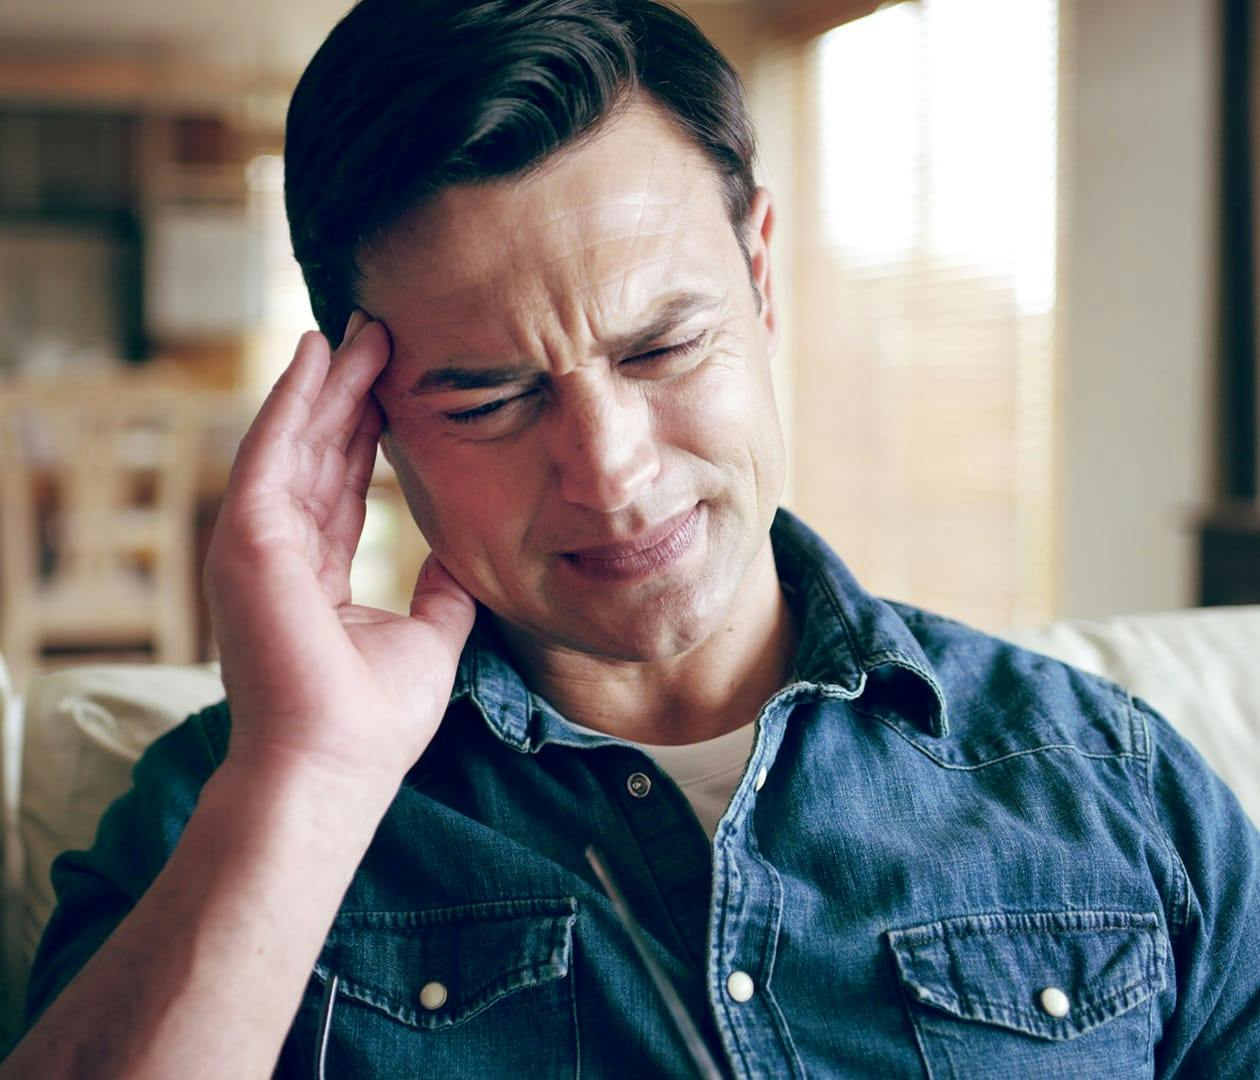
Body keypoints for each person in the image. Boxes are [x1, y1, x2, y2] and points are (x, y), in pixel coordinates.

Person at [5, 1, 1259, 1076]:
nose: (612, 474)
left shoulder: (1120, 795)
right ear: (358, 413)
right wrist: (309, 784)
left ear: (760, 276)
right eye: (488, 396)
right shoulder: (226, 815)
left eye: (661, 348)